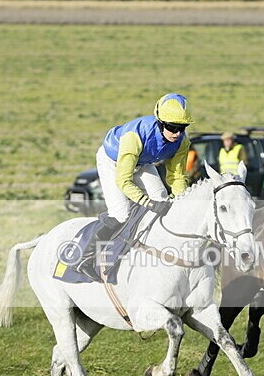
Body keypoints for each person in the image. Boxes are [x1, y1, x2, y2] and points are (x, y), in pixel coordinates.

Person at [76, 93, 193, 281]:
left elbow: (177, 176)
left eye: (182, 128)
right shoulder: (135, 136)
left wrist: (181, 201)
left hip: (141, 161)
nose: (177, 133)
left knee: (163, 199)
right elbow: (123, 180)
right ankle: (84, 258)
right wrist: (148, 203)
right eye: (172, 127)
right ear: (160, 122)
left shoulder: (182, 141)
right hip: (112, 162)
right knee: (121, 213)